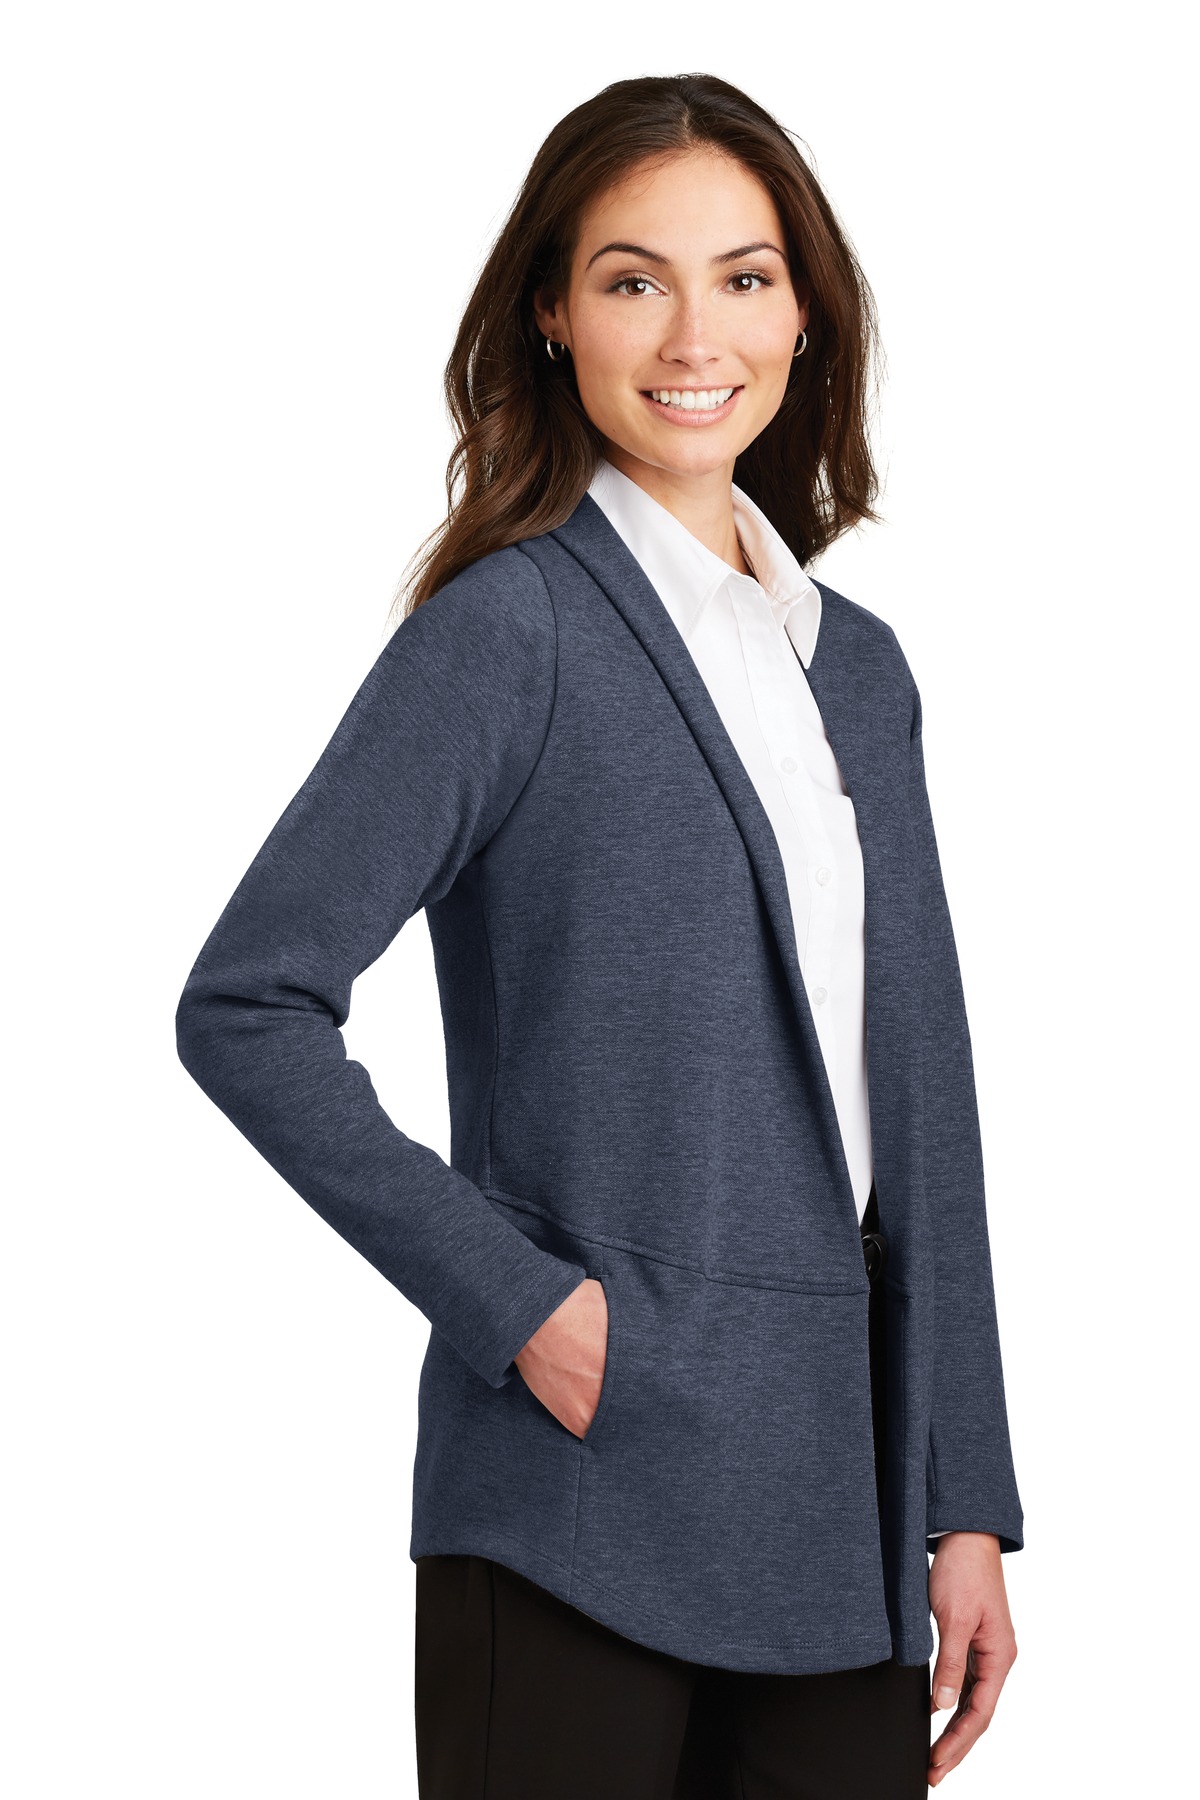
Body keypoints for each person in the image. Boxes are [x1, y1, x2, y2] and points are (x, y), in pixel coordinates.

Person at [176, 72, 1023, 1798]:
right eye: (635, 280)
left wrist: (964, 1497)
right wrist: (523, 1306)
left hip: (838, 1514)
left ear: (804, 314)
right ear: (554, 316)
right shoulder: (511, 634)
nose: (696, 334)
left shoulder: (859, 673)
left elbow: (921, 1101)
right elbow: (249, 1003)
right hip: (572, 1497)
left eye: (746, 277)